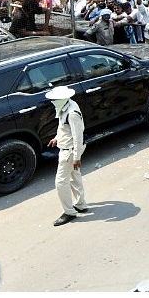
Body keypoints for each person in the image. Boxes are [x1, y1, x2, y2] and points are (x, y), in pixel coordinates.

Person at [47, 86, 90, 226]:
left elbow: (78, 136)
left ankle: (69, 212)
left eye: (55, 99)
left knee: (60, 182)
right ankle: (80, 204)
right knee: (74, 177)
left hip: (70, 151)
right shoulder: (66, 107)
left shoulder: (72, 113)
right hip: (68, 148)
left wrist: (77, 157)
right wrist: (57, 138)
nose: (53, 101)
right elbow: (63, 128)